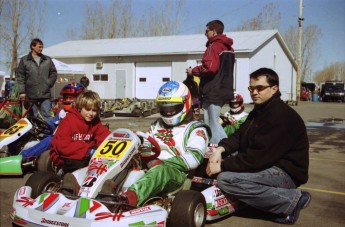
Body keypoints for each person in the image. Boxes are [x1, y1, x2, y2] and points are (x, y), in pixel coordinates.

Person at [206, 68, 310, 225]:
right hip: (267, 163)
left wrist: (222, 166)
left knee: (227, 179)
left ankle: (291, 200)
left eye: (259, 88)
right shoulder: (259, 110)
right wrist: (220, 150)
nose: (254, 92)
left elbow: (257, 158)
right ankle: (256, 198)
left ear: (274, 89)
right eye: (251, 88)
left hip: (286, 172)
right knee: (213, 157)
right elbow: (239, 136)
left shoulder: (280, 116)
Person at [100, 81, 210, 206]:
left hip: (176, 173)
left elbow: (194, 157)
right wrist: (141, 153)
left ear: (185, 104)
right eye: (165, 107)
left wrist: (161, 163)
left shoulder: (197, 129)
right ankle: (98, 189)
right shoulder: (156, 125)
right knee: (125, 159)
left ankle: (126, 200)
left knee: (160, 171)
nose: (168, 112)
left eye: (172, 107)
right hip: (151, 165)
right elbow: (146, 144)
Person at [186, 20, 234, 144]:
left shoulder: (214, 46)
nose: (205, 33)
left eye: (207, 31)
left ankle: (226, 149)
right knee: (212, 121)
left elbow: (210, 67)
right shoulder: (228, 48)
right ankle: (213, 147)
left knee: (212, 122)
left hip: (213, 90)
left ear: (214, 31)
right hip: (224, 89)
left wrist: (193, 71)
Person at [50, 90, 110, 174]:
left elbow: (103, 134)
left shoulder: (95, 121)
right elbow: (62, 145)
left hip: (84, 153)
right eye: (88, 109)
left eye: (94, 110)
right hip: (65, 156)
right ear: (80, 107)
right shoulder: (69, 120)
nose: (91, 113)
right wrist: (87, 150)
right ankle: (64, 174)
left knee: (104, 162)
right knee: (81, 165)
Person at [20, 82, 85, 158]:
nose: (67, 100)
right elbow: (51, 125)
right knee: (28, 133)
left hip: (67, 141)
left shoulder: (81, 115)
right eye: (66, 97)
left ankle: (22, 157)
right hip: (54, 137)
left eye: (70, 98)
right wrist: (40, 128)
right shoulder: (62, 113)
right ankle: (9, 150)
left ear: (80, 99)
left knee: (50, 140)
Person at [16, 38, 57, 123]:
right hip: (30, 93)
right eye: (39, 47)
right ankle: (33, 135)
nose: (41, 49)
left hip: (45, 93)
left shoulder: (48, 60)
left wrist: (49, 83)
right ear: (32, 46)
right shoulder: (24, 60)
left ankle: (49, 134)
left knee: (47, 115)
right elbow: (20, 76)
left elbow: (53, 73)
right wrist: (22, 91)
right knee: (32, 116)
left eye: (42, 47)